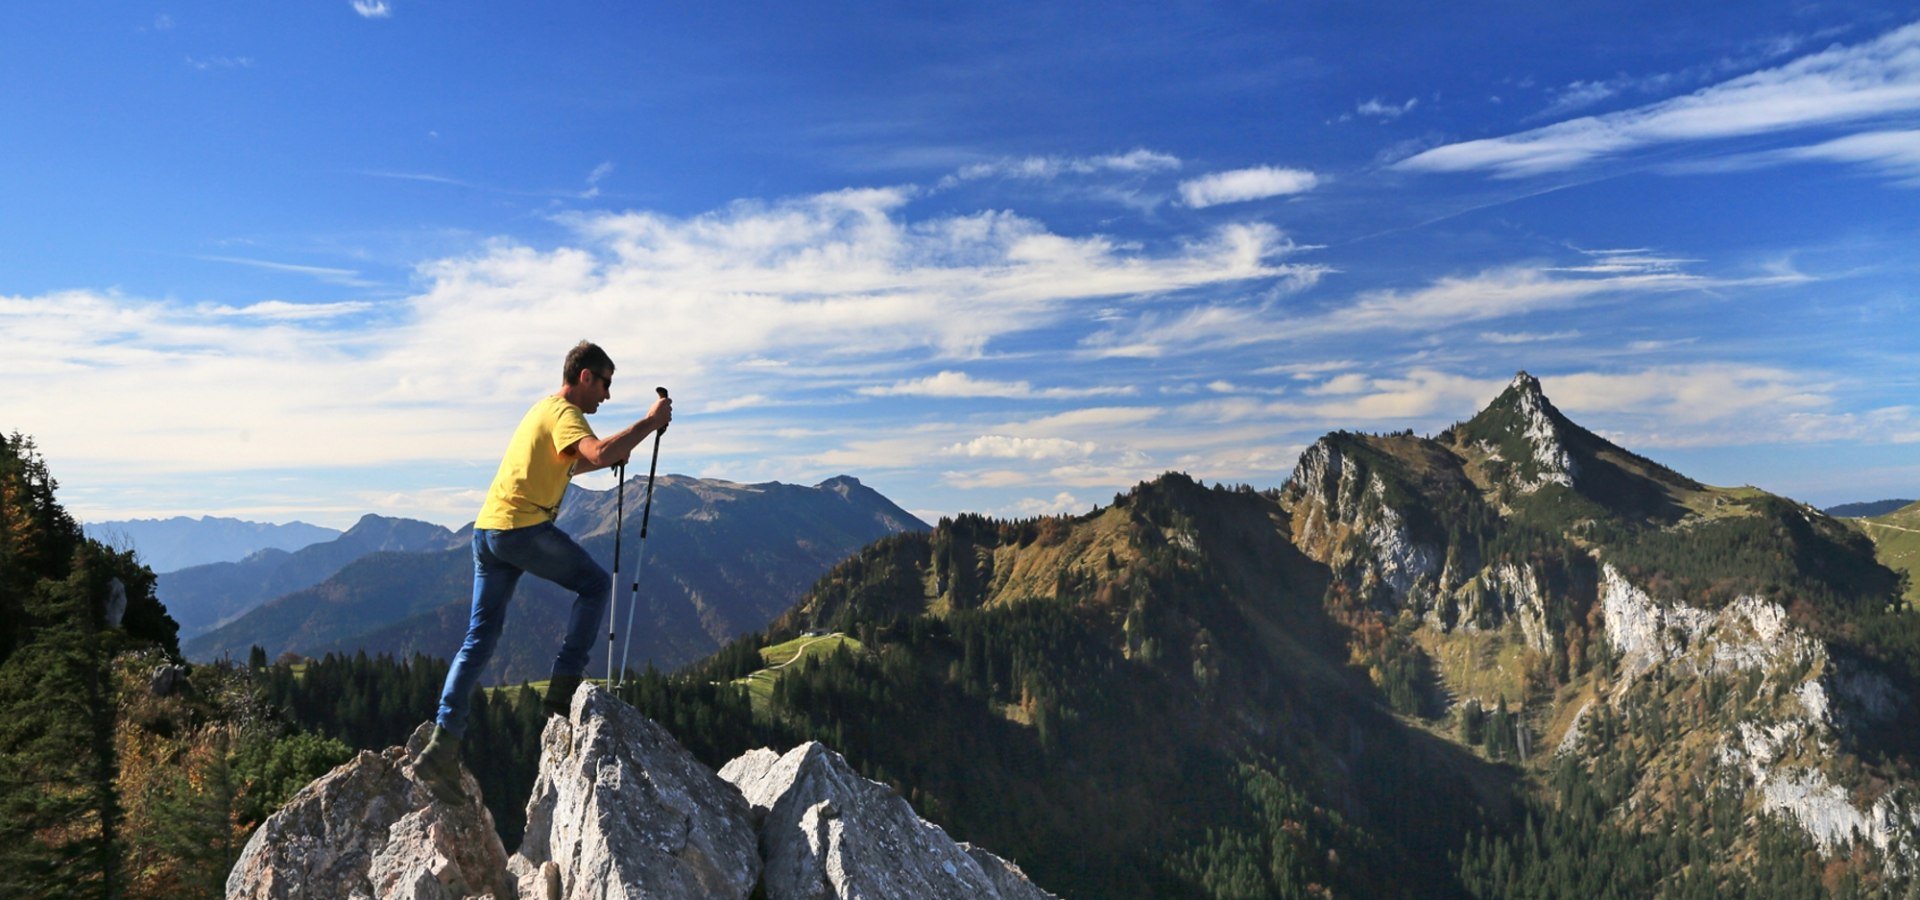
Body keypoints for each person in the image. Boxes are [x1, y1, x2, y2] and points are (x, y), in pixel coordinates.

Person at [415, 340, 671, 801]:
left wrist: (614, 449)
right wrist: (650, 424)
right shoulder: (566, 414)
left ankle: (443, 743)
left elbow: (574, 463)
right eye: (605, 384)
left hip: (488, 533)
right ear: (585, 377)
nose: (606, 397)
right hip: (521, 530)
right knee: (594, 584)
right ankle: (563, 686)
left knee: (479, 638)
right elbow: (595, 454)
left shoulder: (543, 411)